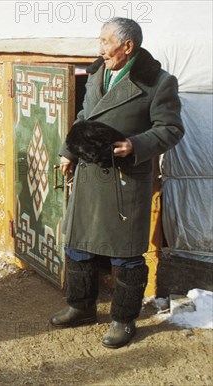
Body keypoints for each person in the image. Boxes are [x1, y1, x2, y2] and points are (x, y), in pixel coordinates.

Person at [50, 17, 184, 348]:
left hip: (124, 181)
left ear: (128, 46)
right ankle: (80, 307)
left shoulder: (158, 82)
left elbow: (171, 129)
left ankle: (124, 320)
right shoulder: (98, 73)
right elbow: (84, 119)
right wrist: (68, 152)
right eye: (100, 40)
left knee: (125, 255)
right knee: (77, 245)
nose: (101, 48)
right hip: (90, 175)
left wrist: (135, 145)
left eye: (106, 42)